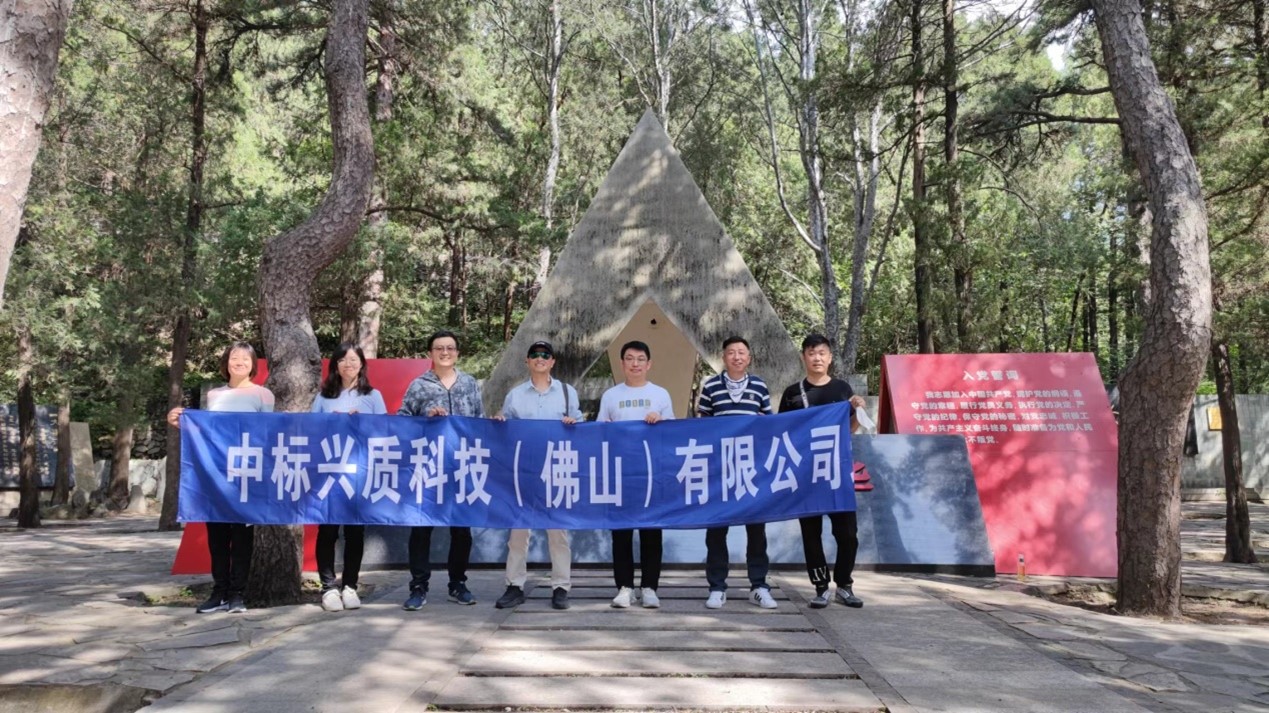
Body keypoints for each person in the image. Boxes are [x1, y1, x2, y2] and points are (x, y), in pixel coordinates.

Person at [166, 341, 274, 615]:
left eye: (245, 358)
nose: (239, 362)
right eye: (234, 357)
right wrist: (181, 421)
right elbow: (205, 431)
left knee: (242, 538)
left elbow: (269, 433)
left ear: (253, 364)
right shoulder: (214, 394)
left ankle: (238, 594)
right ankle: (220, 591)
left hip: (247, 476)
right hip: (215, 475)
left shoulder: (263, 395)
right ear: (226, 362)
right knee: (217, 537)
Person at [779, 334, 867, 609]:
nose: (816, 358)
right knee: (811, 534)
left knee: (847, 533)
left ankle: (844, 584)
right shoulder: (792, 393)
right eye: (811, 353)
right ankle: (820, 586)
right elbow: (782, 432)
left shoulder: (842, 389)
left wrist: (857, 411)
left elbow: (848, 430)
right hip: (805, 475)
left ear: (829, 358)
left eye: (821, 353)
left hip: (836, 472)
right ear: (803, 357)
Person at [398, 330, 483, 610]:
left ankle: (457, 583)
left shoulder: (470, 384)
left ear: (457, 353)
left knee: (462, 530)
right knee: (421, 528)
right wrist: (427, 418)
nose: (445, 352)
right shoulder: (419, 385)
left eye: (450, 348)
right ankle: (418, 586)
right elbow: (401, 421)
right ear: (430, 354)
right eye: (439, 348)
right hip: (428, 467)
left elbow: (479, 420)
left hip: (461, 466)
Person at [493, 340, 582, 611]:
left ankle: (561, 587)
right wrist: (499, 421)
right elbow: (505, 429)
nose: (540, 358)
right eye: (534, 354)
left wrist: (574, 424)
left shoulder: (567, 392)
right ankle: (514, 585)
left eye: (545, 355)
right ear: (527, 361)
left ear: (552, 361)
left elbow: (581, 429)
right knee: (518, 533)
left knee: (558, 533)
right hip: (524, 471)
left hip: (557, 469)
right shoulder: (515, 395)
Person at [697, 336, 776, 610]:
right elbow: (702, 424)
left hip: (752, 470)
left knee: (757, 530)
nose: (737, 357)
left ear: (749, 357)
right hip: (719, 471)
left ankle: (759, 586)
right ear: (723, 357)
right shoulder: (711, 387)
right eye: (731, 352)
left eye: (742, 352)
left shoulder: (759, 386)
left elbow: (769, 423)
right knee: (716, 530)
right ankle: (717, 587)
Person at [310, 342, 387, 613]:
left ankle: (350, 585)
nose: (348, 364)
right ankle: (328, 587)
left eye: (353, 360)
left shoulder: (373, 396)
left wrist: (362, 422)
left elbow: (385, 431)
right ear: (335, 365)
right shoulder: (323, 397)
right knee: (328, 530)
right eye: (342, 360)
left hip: (360, 472)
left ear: (362, 364)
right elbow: (312, 431)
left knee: (355, 531)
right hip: (330, 472)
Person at [598, 340, 675, 609]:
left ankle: (650, 587)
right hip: (620, 473)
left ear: (649, 364)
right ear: (622, 364)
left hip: (652, 473)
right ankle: (625, 587)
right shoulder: (611, 395)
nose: (635, 364)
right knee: (621, 532)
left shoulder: (660, 394)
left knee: (651, 531)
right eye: (629, 358)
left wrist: (660, 421)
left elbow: (673, 432)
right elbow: (599, 431)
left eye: (640, 359)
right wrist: (606, 428)